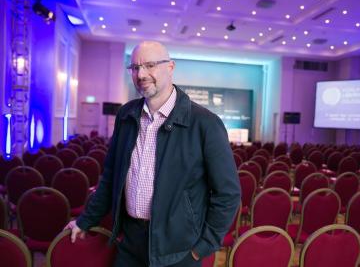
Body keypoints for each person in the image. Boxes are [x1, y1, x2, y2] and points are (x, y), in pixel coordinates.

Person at [65, 41, 241, 267]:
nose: (141, 74)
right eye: (135, 67)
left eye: (149, 65)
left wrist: (203, 247)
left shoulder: (205, 123)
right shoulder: (126, 115)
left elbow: (228, 193)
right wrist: (85, 221)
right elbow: (110, 179)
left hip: (179, 251)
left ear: (170, 67)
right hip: (130, 243)